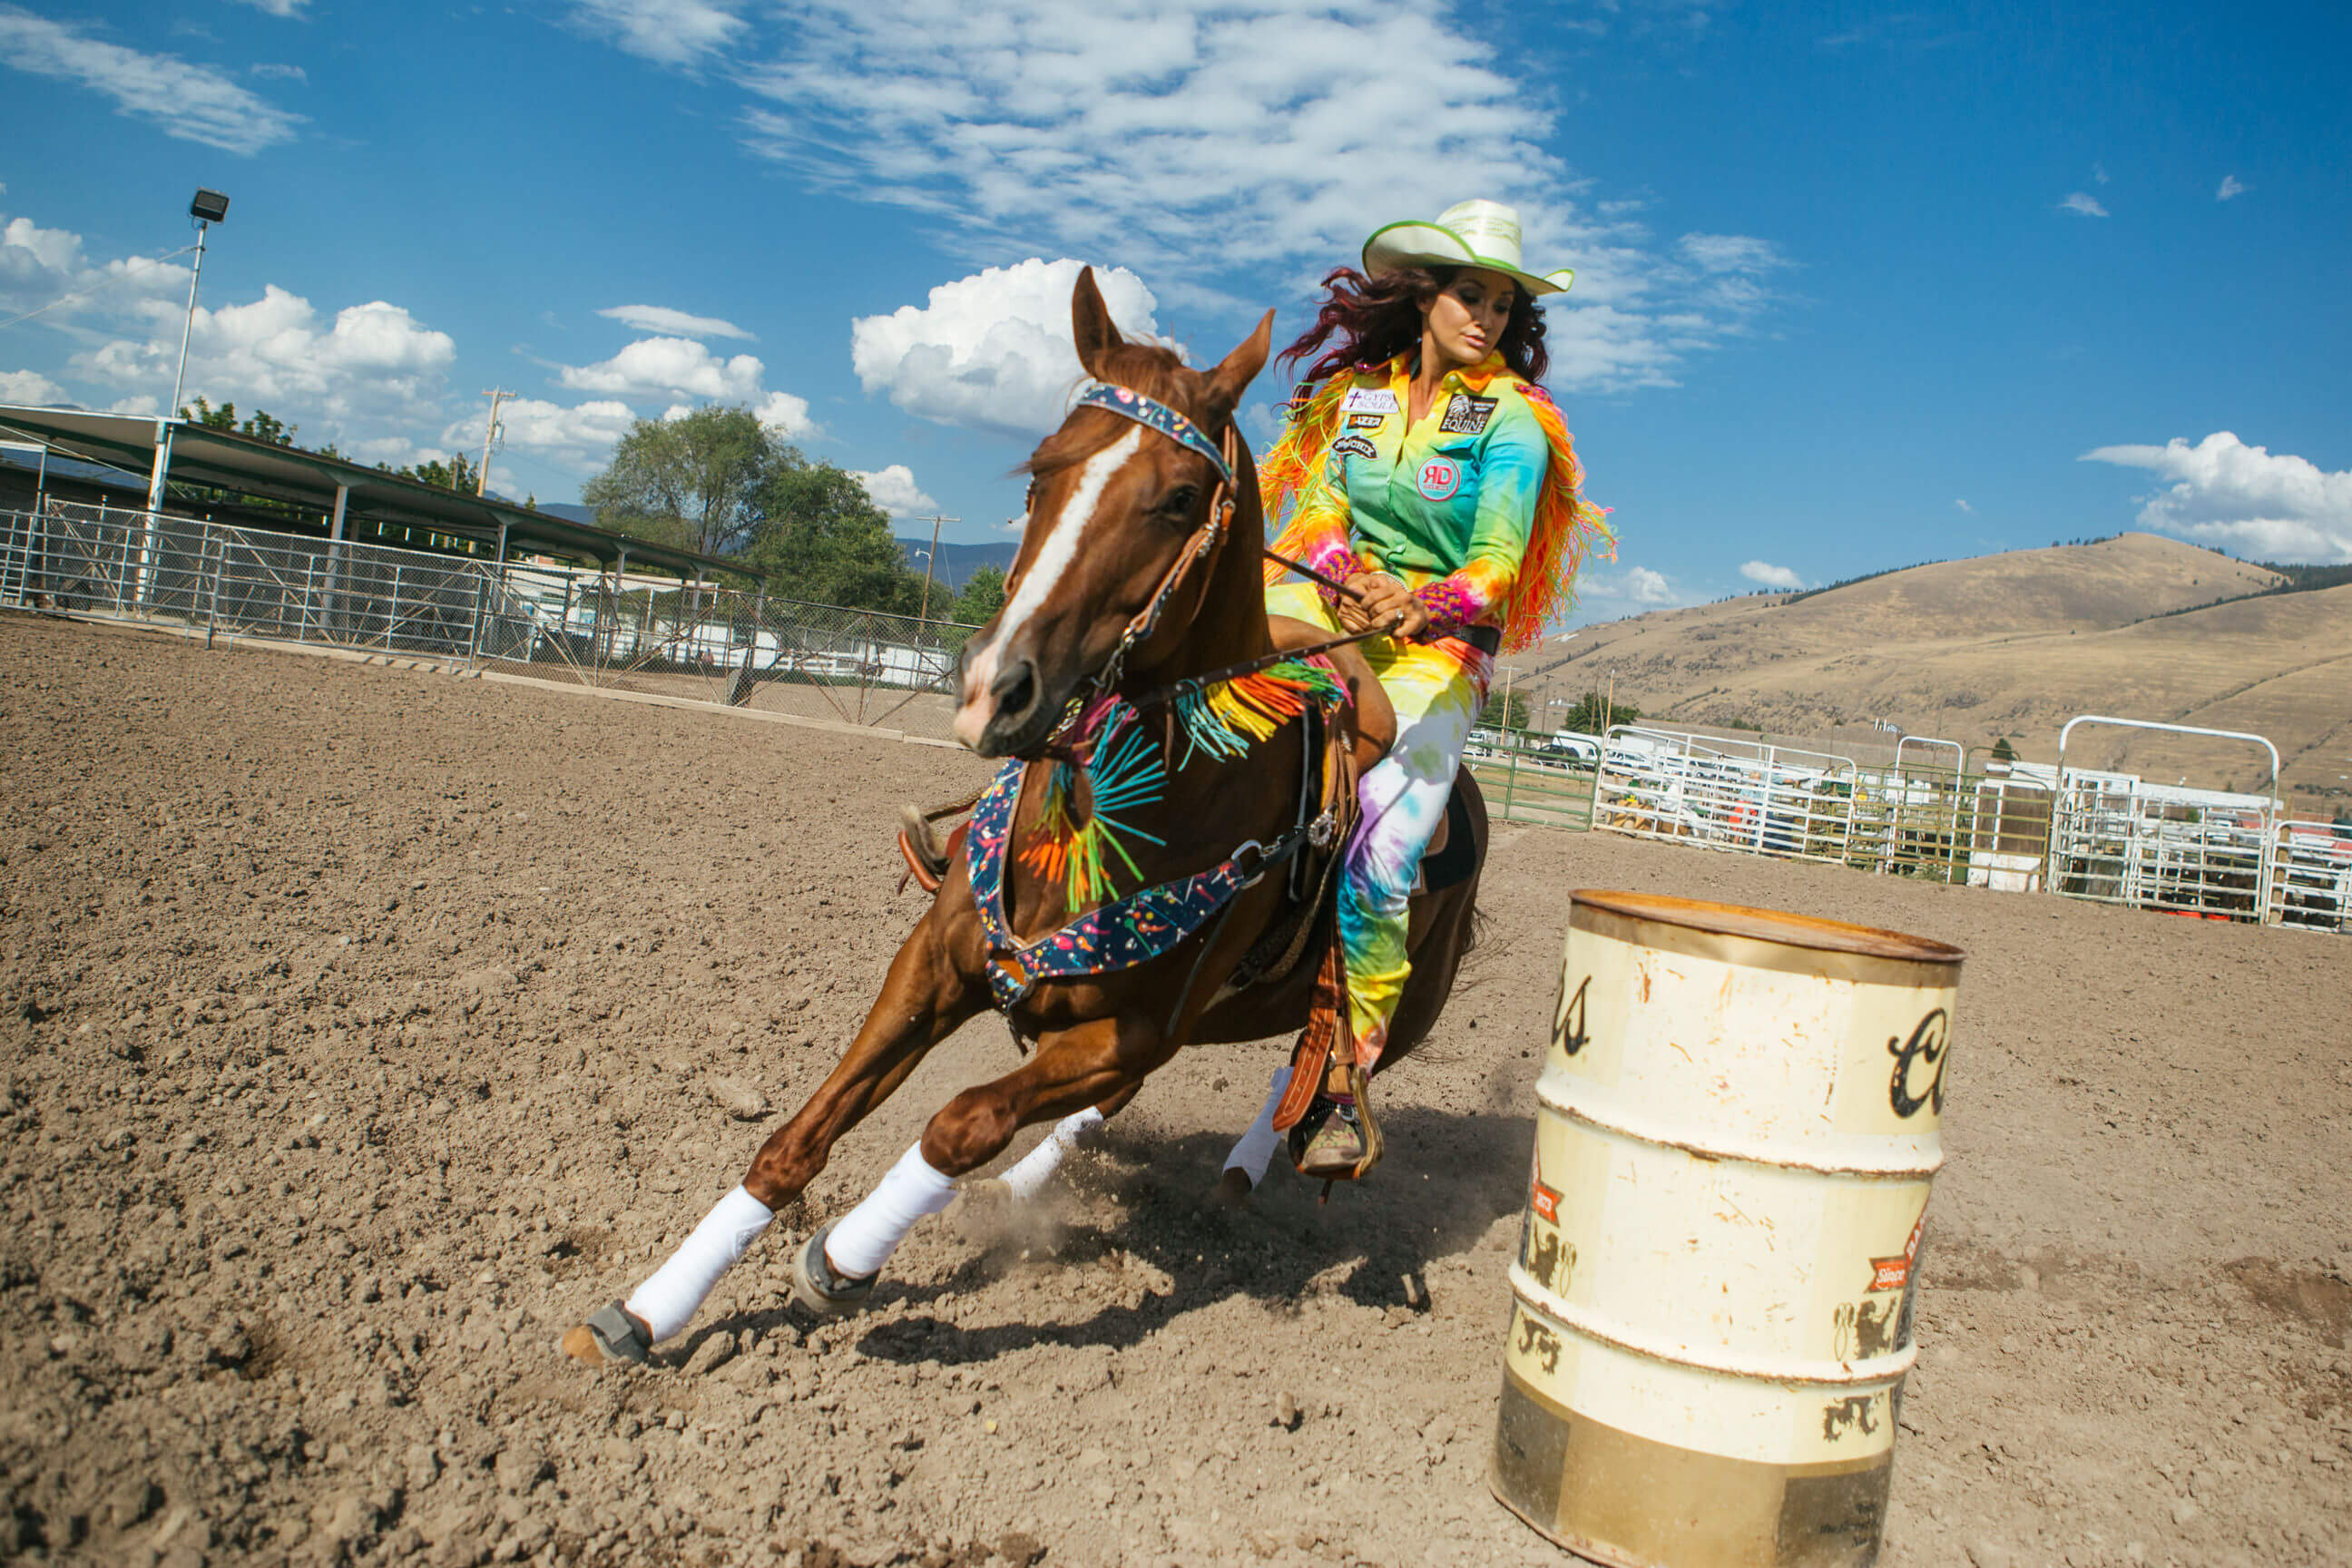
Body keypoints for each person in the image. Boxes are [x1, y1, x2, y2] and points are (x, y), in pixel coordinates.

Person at [1258, 198, 1612, 1176]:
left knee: (1384, 838)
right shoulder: (1359, 399)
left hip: (1435, 655)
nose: (1487, 317)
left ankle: (1342, 1082)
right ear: (1424, 298)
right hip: (1326, 603)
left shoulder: (1515, 423)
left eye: (1503, 304)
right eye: (1470, 295)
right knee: (1184, 670)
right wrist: (1348, 575)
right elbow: (1321, 505)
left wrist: (1416, 602)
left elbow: (1497, 563)